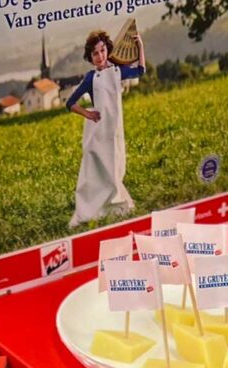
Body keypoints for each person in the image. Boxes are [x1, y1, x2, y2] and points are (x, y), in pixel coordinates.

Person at [64, 28, 145, 229]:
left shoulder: (117, 72)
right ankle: (91, 208)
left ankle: (112, 204)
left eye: (102, 51)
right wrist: (88, 114)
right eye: (95, 53)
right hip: (97, 133)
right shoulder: (91, 78)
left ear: (107, 50)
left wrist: (140, 46)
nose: (100, 56)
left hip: (114, 130)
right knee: (93, 172)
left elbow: (140, 70)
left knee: (114, 167)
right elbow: (70, 103)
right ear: (90, 57)